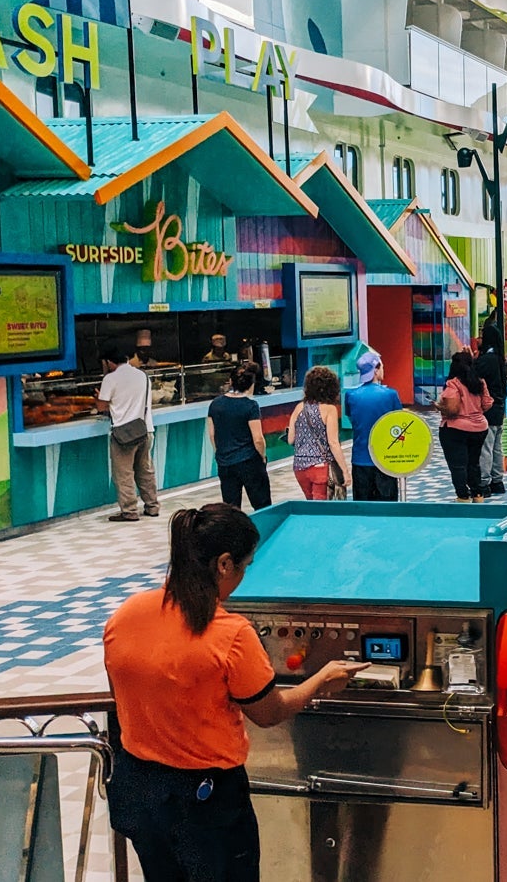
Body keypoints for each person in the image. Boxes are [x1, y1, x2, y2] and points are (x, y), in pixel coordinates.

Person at [103, 504, 366, 880]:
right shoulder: (230, 634)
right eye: (245, 566)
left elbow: (123, 692)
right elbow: (269, 712)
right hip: (206, 802)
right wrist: (322, 680)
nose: (244, 576)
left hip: (142, 793)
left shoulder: (126, 614)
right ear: (224, 564)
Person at [97, 341, 158, 522]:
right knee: (145, 470)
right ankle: (152, 506)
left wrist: (97, 395)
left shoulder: (110, 379)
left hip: (124, 435)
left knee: (124, 474)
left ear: (109, 362)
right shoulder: (142, 375)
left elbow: (102, 406)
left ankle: (130, 511)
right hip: (145, 429)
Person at [206, 362, 270, 510]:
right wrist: (262, 457)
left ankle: (234, 533)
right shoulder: (250, 406)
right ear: (251, 384)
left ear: (231, 381)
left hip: (225, 463)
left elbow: (212, 434)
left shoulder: (215, 404)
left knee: (231, 509)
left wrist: (220, 454)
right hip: (249, 461)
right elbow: (258, 439)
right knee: (262, 506)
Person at [437, 349, 495, 502]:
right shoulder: (479, 382)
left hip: (456, 429)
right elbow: (488, 403)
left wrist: (439, 406)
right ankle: (477, 494)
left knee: (458, 465)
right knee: (473, 463)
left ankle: (463, 496)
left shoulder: (453, 384)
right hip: (479, 428)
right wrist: (474, 411)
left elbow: (452, 409)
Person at [344, 350, 402, 501]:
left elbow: (352, 420)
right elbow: (398, 422)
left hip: (360, 459)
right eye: (381, 366)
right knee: (387, 508)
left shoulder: (351, 396)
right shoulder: (391, 395)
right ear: (376, 370)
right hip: (385, 459)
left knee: (363, 508)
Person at [285, 366, 348, 500]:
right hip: (320, 466)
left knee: (311, 504)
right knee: (322, 508)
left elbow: (290, 439)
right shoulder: (329, 409)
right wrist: (345, 471)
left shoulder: (299, 407)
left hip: (299, 468)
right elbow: (333, 443)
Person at [473, 324, 507, 496]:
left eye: (481, 335)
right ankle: (498, 481)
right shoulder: (499, 359)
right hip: (500, 407)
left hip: (488, 408)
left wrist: (472, 359)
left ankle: (484, 483)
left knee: (485, 447)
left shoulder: (486, 360)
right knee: (496, 446)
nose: (479, 338)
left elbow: (473, 375)